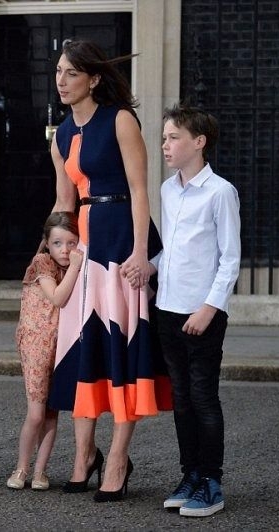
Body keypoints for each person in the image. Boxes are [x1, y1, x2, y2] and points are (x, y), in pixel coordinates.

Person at [46, 39, 171, 502]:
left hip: (121, 241)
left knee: (122, 345)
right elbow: (64, 202)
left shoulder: (120, 119)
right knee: (85, 347)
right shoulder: (61, 135)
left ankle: (117, 458)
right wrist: (48, 255)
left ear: (94, 79)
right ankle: (84, 455)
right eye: (58, 71)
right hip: (83, 247)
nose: (61, 81)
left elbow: (140, 190)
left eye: (71, 73)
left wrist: (140, 252)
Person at [153, 104, 240, 517]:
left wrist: (209, 308)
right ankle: (190, 475)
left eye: (174, 137)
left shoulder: (221, 192)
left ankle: (211, 483)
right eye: (164, 138)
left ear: (199, 142)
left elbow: (230, 258)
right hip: (167, 309)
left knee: (204, 397)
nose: (165, 145)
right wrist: (147, 267)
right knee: (182, 399)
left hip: (202, 313)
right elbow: (172, 249)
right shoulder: (168, 190)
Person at [7, 212, 83, 491]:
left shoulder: (73, 266)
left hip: (61, 343)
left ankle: (40, 471)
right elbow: (57, 298)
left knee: (52, 411)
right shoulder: (42, 262)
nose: (65, 250)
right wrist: (75, 268)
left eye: (71, 243)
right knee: (37, 413)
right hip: (36, 344)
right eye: (58, 243)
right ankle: (21, 468)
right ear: (47, 244)